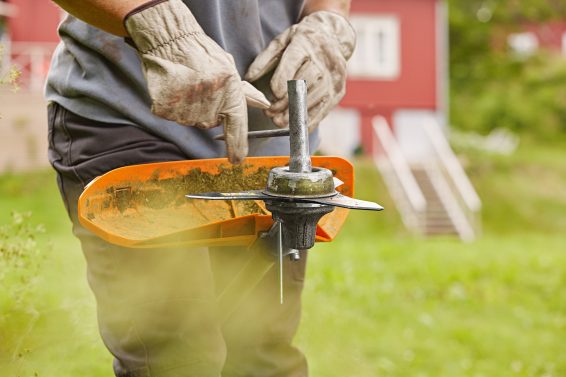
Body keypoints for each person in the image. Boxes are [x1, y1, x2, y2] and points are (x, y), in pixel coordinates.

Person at [46, 0, 355, 375]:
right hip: (133, 115)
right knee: (179, 360)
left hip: (268, 141)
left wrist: (327, 21)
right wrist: (157, 26)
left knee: (260, 356)